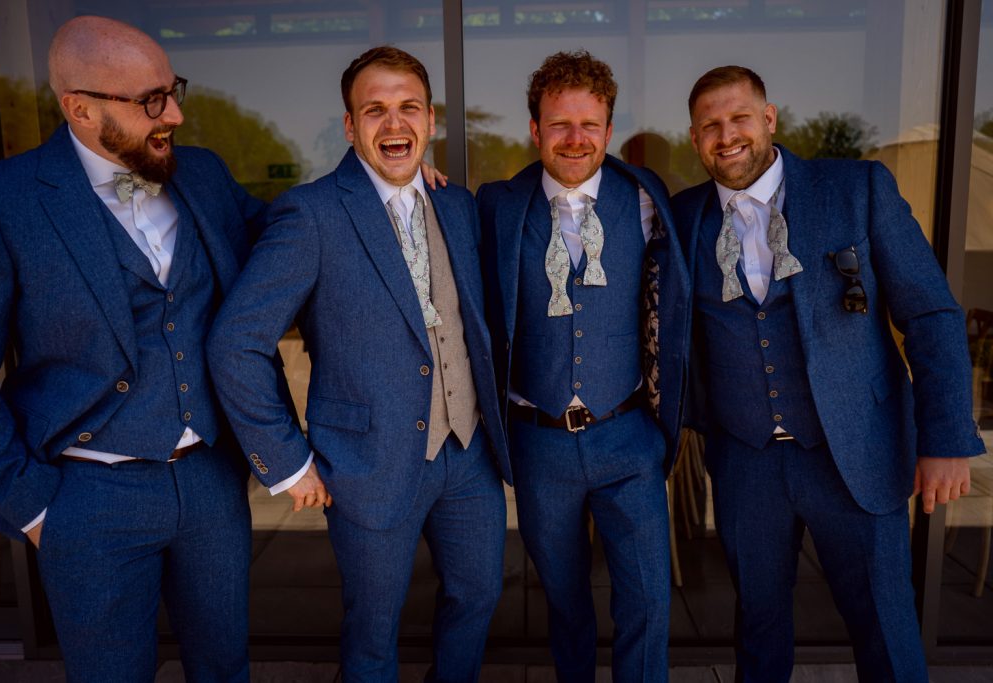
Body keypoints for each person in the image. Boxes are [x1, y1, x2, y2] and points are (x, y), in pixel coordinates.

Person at [0, 15, 267, 682]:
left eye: (172, 90)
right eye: (151, 101)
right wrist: (33, 504)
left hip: (211, 482)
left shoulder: (204, 175)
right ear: (80, 108)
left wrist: (384, 180)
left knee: (226, 669)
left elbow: (291, 237)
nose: (178, 115)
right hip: (87, 495)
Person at [207, 46, 512, 683]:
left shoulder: (457, 206)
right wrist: (288, 461)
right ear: (350, 126)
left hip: (468, 455)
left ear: (431, 119)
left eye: (408, 109)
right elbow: (237, 342)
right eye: (375, 110)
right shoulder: (310, 213)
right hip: (367, 463)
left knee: (477, 598)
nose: (393, 124)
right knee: (373, 631)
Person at [674, 65, 986, 682]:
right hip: (746, 462)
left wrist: (946, 436)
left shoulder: (857, 189)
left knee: (885, 628)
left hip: (855, 451)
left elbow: (930, 314)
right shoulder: (682, 216)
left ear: (769, 119)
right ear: (694, 140)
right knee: (758, 634)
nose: (726, 135)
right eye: (710, 125)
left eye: (739, 118)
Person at [476, 51, 690, 682]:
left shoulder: (647, 199)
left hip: (627, 436)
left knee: (648, 599)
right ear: (535, 130)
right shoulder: (495, 205)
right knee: (565, 602)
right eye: (559, 124)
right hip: (538, 444)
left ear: (608, 130)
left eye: (589, 125)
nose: (575, 139)